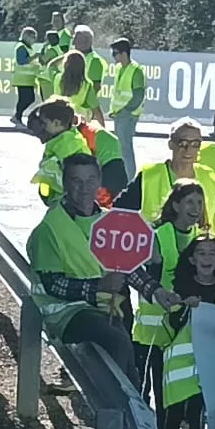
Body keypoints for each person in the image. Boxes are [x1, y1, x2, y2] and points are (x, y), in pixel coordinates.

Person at [26, 152, 137, 380]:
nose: (84, 188)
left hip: (102, 307)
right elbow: (52, 285)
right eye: (76, 181)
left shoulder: (109, 221)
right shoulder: (50, 227)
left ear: (99, 181)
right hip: (64, 312)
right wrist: (99, 287)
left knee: (130, 359)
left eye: (90, 180)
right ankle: (111, 400)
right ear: (65, 183)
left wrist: (157, 291)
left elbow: (130, 268)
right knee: (116, 342)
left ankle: (127, 400)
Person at [130, 179, 211, 418]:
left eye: (200, 202)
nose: (196, 208)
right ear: (176, 205)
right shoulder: (156, 235)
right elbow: (139, 276)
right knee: (144, 393)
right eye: (190, 202)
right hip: (151, 332)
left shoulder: (201, 239)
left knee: (170, 397)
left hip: (181, 332)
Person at [157, 235, 215, 429]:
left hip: (209, 361)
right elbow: (173, 322)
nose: (207, 258)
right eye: (201, 253)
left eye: (212, 253)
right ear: (191, 259)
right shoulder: (179, 286)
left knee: (198, 410)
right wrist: (185, 308)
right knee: (174, 410)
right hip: (180, 362)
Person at [119, 117, 215, 223]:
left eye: (195, 144)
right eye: (183, 143)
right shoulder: (149, 176)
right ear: (171, 144)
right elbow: (119, 211)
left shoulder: (210, 177)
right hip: (157, 234)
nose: (188, 149)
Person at [55, 52, 126, 192]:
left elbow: (50, 66)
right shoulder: (86, 85)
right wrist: (102, 129)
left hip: (61, 126)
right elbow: (96, 110)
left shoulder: (57, 79)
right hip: (81, 128)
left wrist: (63, 56)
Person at [26, 98, 91, 203]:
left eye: (44, 123)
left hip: (70, 201)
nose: (41, 128)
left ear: (57, 123)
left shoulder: (67, 144)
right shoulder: (60, 142)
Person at [105, 37, 147, 156]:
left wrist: (125, 111)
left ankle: (129, 169)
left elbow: (138, 96)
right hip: (120, 114)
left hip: (128, 115)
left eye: (115, 53)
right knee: (121, 148)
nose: (113, 56)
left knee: (125, 148)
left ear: (124, 53)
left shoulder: (136, 70)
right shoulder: (119, 68)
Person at [68, 25, 107, 118]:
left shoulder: (94, 61)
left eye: (76, 39)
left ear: (86, 41)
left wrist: (85, 104)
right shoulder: (73, 57)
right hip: (70, 106)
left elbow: (96, 86)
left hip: (82, 110)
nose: (73, 43)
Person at [10, 26, 41, 125]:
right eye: (32, 37)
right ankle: (17, 117)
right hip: (22, 79)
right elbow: (21, 61)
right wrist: (35, 56)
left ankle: (17, 116)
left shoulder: (28, 48)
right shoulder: (21, 47)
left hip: (28, 79)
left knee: (29, 99)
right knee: (25, 99)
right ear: (26, 36)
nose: (34, 40)